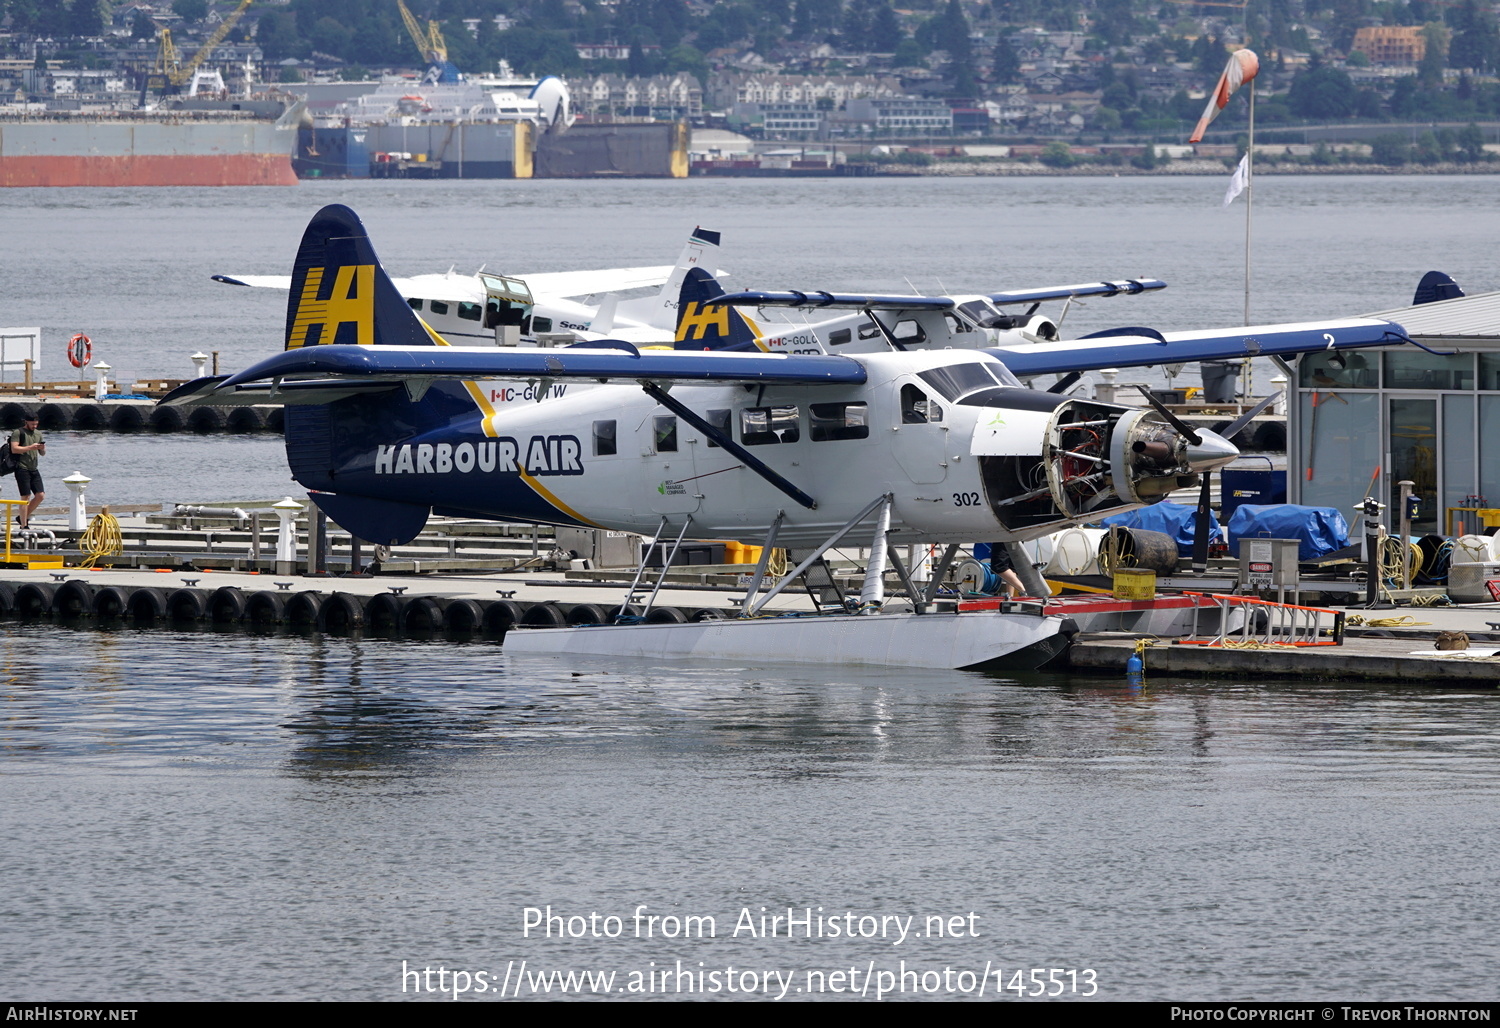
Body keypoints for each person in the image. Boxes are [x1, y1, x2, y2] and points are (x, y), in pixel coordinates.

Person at [11, 415, 45, 529]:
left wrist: (41, 448)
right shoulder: (18, 432)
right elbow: (14, 449)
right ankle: (24, 525)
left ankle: (21, 517)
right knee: (25, 496)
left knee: (40, 495)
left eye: (36, 424)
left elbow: (43, 453)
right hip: (21, 467)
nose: (34, 426)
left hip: (34, 468)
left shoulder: (38, 434)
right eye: (32, 424)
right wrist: (30, 447)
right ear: (26, 422)